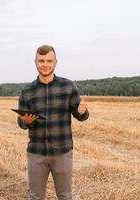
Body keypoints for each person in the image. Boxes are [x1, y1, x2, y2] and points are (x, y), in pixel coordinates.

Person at [16, 45, 89, 200]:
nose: (45, 64)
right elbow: (21, 122)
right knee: (35, 196)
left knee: (65, 196)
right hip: (36, 153)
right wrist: (26, 122)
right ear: (35, 62)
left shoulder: (68, 86)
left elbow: (80, 115)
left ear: (56, 62)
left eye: (49, 60)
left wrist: (82, 112)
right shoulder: (27, 91)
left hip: (62, 152)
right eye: (41, 60)